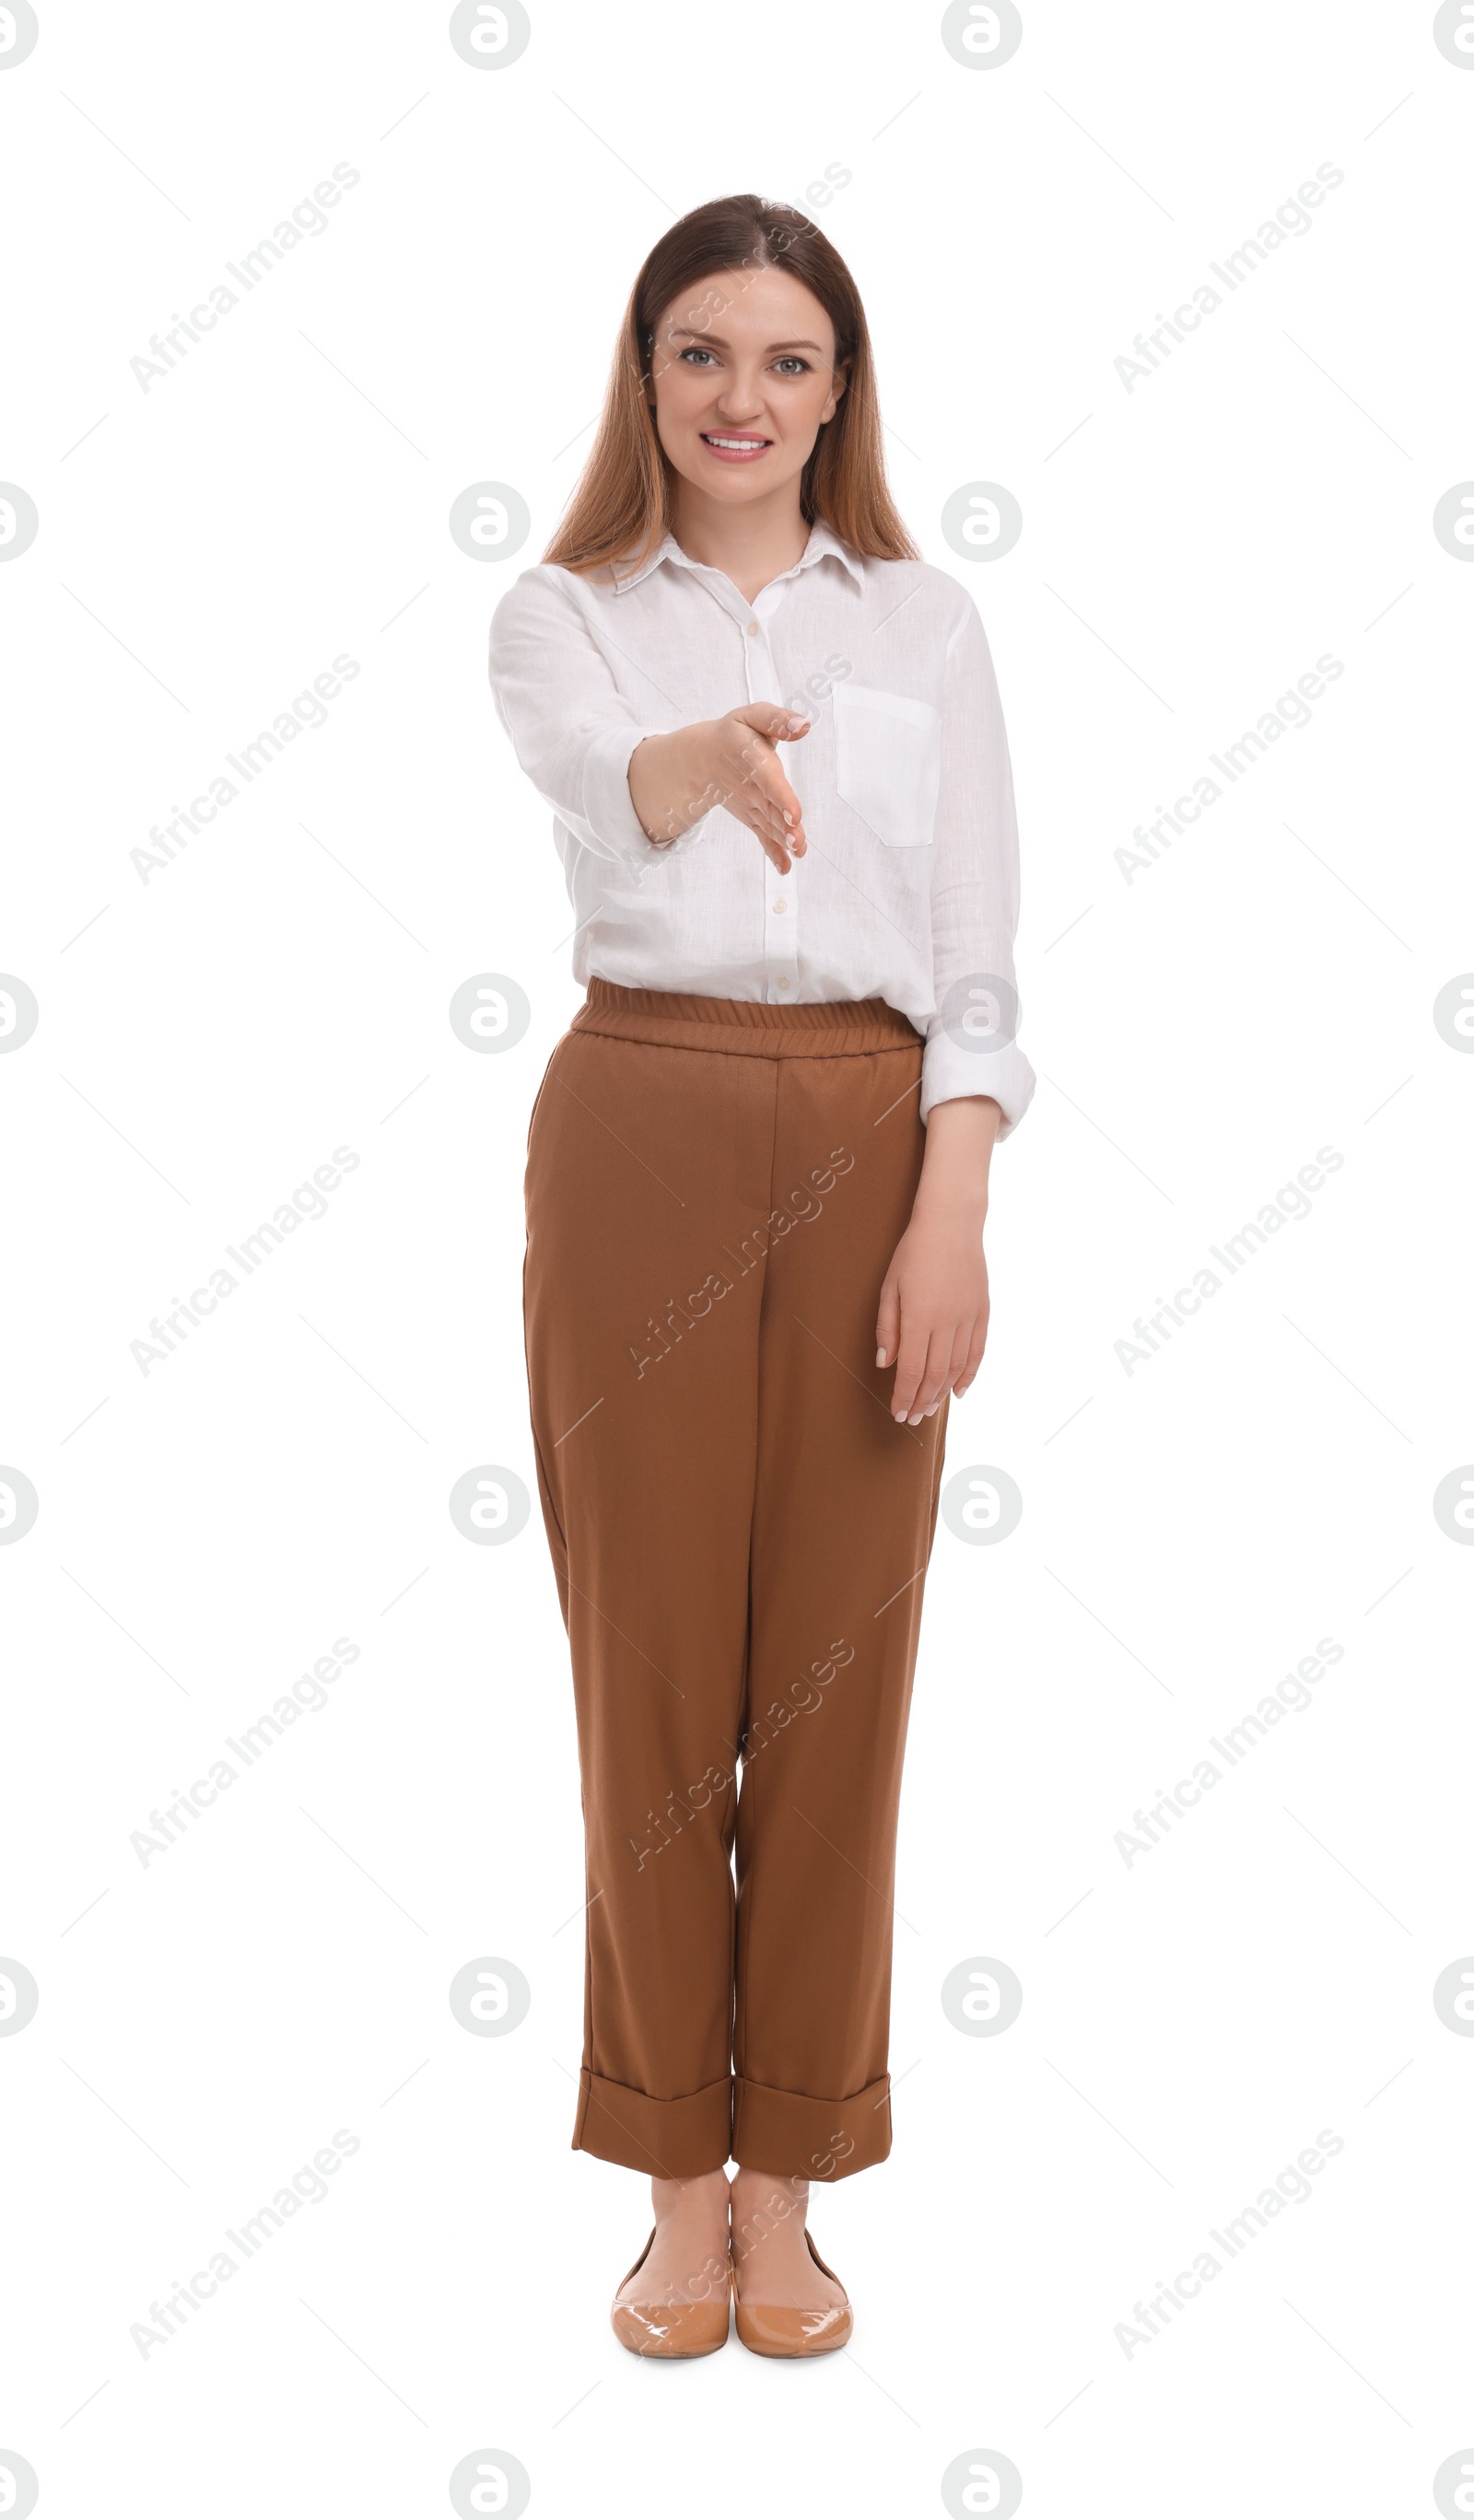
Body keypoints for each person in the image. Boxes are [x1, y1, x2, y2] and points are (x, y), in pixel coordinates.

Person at [487, 193, 1035, 2359]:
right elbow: (601, 780)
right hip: (639, 1117)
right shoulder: (565, 612)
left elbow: (975, 952)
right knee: (648, 1679)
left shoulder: (919, 625)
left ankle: (790, 2176)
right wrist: (702, 761)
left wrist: (951, 1201)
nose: (742, 397)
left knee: (834, 1676)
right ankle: (669, 2186)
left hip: (873, 1137)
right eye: (702, 352)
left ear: (840, 389)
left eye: (786, 361)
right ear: (646, 375)